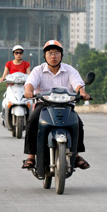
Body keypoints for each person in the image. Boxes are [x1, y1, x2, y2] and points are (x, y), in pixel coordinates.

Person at [21, 40, 91, 170]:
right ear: (45, 56)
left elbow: (78, 84)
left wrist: (82, 92)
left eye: (56, 53)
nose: (53, 56)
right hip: (44, 106)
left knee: (78, 124)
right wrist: (28, 91)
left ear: (61, 55)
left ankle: (76, 155)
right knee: (32, 121)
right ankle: (31, 156)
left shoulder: (69, 70)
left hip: (66, 105)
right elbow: (30, 83)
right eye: (50, 53)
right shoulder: (38, 70)